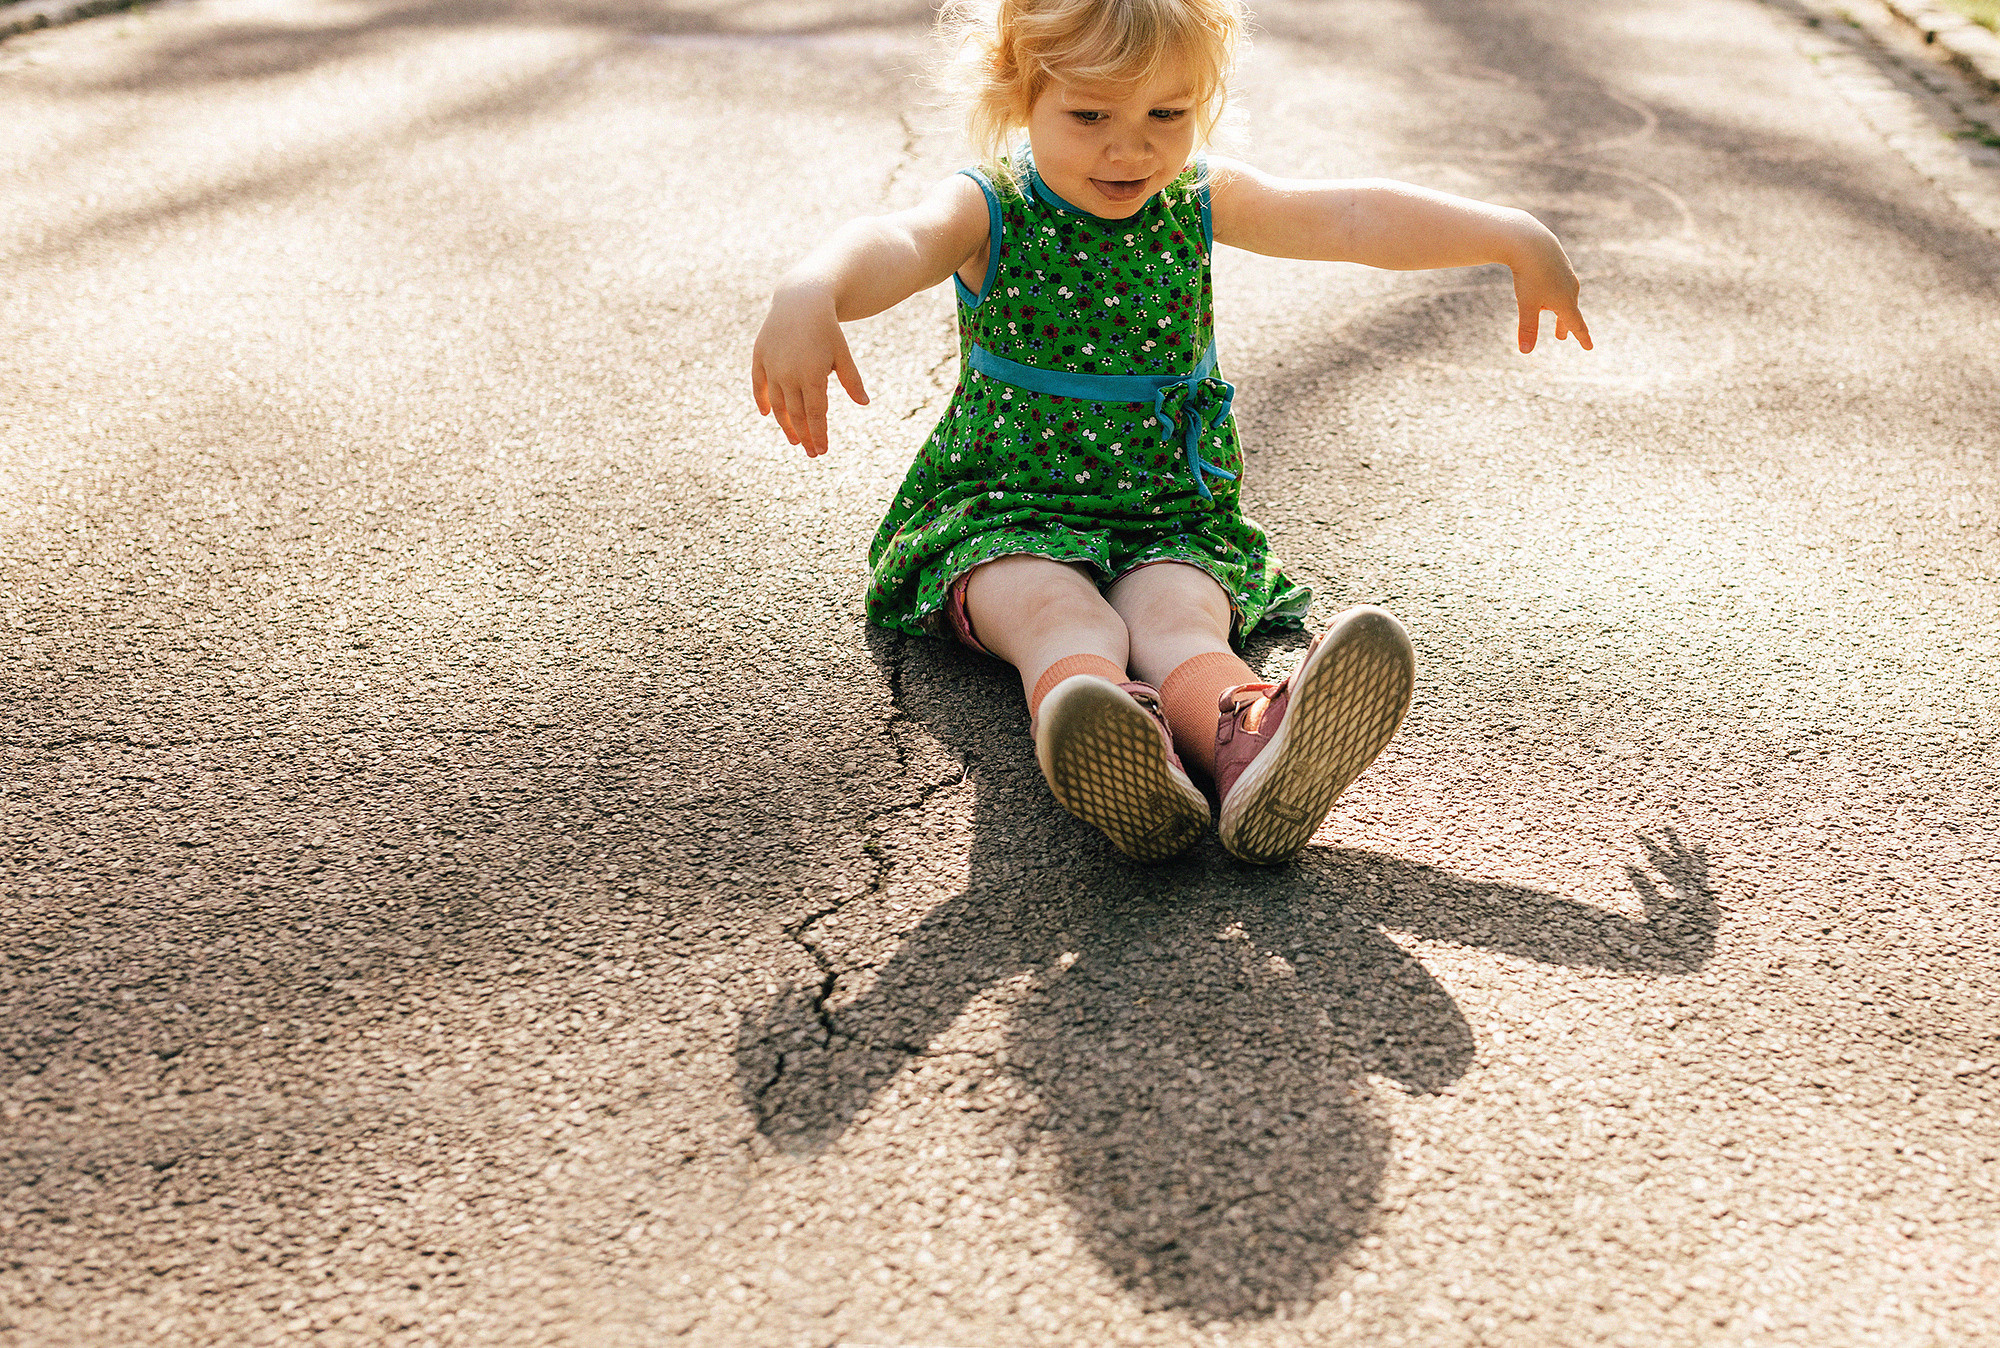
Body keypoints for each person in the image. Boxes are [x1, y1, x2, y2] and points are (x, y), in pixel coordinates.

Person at [750, 0, 1591, 864]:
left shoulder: (1194, 200)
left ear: (1203, 105)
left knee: (1180, 619)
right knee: (1053, 608)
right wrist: (812, 289)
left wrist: (1511, 235)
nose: (1131, 148)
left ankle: (1256, 746)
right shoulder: (992, 206)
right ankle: (1114, 739)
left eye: (1167, 114)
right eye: (1089, 116)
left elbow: (1348, 218)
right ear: (1018, 95)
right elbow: (899, 238)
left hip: (1167, 512)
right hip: (1006, 508)